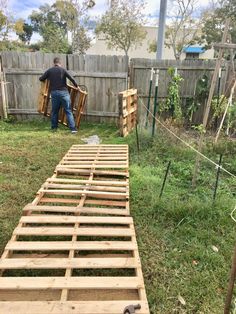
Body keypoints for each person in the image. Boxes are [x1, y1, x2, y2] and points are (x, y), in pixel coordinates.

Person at [39, 57, 78, 134]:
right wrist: (76, 86)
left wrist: (46, 80)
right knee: (68, 111)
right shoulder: (63, 70)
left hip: (54, 93)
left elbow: (41, 78)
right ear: (60, 63)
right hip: (64, 93)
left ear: (54, 63)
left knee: (55, 111)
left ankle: (54, 128)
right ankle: (73, 129)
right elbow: (72, 79)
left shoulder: (50, 70)